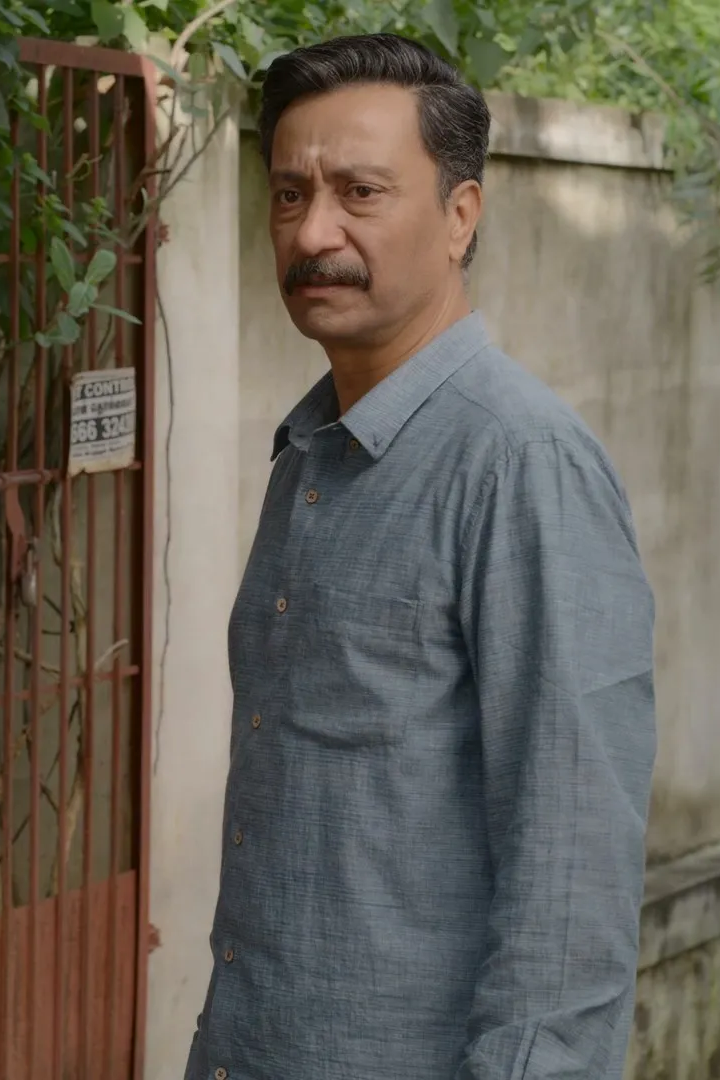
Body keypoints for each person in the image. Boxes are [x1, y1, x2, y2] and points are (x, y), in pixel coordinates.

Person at [185, 33, 656, 1080]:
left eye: (360, 192)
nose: (314, 232)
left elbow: (572, 872)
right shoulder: (313, 452)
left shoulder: (520, 463)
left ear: (459, 216)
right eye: (289, 194)